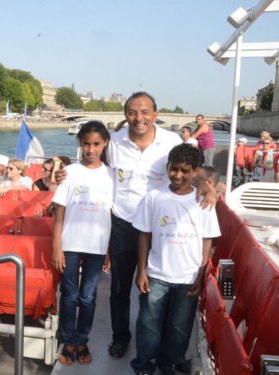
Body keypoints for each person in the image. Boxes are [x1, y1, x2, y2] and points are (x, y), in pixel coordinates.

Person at [56, 91, 217, 359]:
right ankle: (121, 338)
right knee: (119, 289)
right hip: (123, 225)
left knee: (154, 290)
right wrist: (65, 172)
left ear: (155, 115)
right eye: (132, 112)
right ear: (125, 115)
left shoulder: (171, 141)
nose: (138, 118)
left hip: (162, 227)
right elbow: (90, 162)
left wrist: (206, 186)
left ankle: (158, 345)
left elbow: (191, 168)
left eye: (144, 112)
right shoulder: (114, 143)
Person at [130, 143, 220, 375]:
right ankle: (144, 364)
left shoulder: (204, 202)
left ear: (196, 171)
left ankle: (168, 362)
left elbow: (207, 241)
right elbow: (144, 235)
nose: (178, 175)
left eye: (185, 171)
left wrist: (201, 275)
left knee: (180, 326)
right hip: (156, 274)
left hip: (188, 276)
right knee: (148, 323)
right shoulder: (154, 197)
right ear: (168, 167)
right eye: (174, 169)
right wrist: (141, 271)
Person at [52, 121, 115, 366]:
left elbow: (110, 214)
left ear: (105, 144)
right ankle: (68, 340)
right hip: (69, 244)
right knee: (69, 295)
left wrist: (108, 248)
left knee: (88, 297)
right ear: (80, 143)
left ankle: (82, 340)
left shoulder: (111, 175)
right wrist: (56, 246)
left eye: (96, 144)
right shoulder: (70, 172)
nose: (91, 149)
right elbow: (60, 213)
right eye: (86, 143)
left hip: (97, 245)